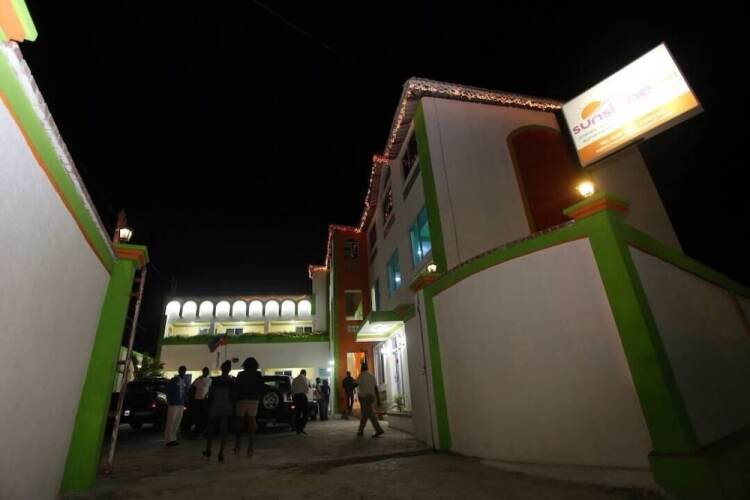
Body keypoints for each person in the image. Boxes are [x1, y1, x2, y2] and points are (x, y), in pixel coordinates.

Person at [203, 360, 235, 462]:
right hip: (226, 405)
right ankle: (221, 452)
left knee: (211, 427)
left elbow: (211, 394)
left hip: (216, 404)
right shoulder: (231, 381)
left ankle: (208, 449)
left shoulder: (215, 380)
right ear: (229, 370)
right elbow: (233, 395)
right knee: (223, 429)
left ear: (221, 368)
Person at [234, 357, 263, 456]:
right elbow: (260, 387)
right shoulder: (258, 374)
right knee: (251, 422)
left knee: (240, 422)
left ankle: (237, 445)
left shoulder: (241, 374)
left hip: (242, 399)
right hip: (254, 400)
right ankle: (250, 447)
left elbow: (237, 387)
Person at [356, 363, 384, 438]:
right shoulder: (372, 375)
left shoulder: (361, 375)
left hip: (364, 398)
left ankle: (378, 430)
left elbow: (356, 384)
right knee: (365, 415)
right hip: (371, 397)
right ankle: (360, 431)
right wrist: (378, 399)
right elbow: (375, 388)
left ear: (362, 368)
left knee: (370, 414)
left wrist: (352, 384)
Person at [164, 365, 187, 446]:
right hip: (174, 403)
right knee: (171, 421)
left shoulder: (184, 381)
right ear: (179, 371)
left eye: (184, 371)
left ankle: (173, 438)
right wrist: (169, 400)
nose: (183, 372)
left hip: (181, 403)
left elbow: (184, 392)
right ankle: (168, 440)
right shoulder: (174, 380)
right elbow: (167, 390)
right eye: (182, 371)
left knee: (177, 421)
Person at [190, 367, 212, 435]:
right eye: (205, 371)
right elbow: (192, 388)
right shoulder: (198, 379)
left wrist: (208, 396)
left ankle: (202, 430)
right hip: (197, 400)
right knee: (197, 415)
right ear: (203, 371)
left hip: (204, 400)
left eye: (207, 371)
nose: (206, 372)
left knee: (204, 415)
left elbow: (210, 390)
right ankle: (196, 430)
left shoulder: (210, 380)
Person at [292, 369, 309, 434]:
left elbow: (292, 389)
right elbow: (307, 389)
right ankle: (301, 427)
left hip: (296, 397)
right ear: (305, 373)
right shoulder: (304, 378)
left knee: (297, 414)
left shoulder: (295, 379)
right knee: (305, 413)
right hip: (302, 396)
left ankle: (298, 429)